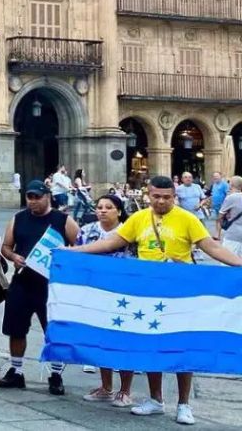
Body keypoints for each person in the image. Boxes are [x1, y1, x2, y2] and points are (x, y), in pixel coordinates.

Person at [74, 175, 242, 425]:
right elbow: (111, 243)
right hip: (148, 293)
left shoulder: (187, 218)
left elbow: (212, 247)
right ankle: (155, 399)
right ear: (148, 195)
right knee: (151, 345)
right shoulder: (139, 218)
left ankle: (184, 404)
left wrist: (239, 263)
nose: (161, 201)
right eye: (156, 196)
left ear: (174, 196)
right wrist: (74, 251)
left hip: (180, 293)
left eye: (166, 197)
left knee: (182, 347)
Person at [0, 179, 78, 395]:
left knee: (53, 331)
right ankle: (16, 371)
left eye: (37, 197)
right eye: (29, 197)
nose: (33, 201)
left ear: (48, 196)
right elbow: (6, 246)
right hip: (22, 282)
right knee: (16, 330)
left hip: (51, 286)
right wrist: (14, 256)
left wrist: (66, 256)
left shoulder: (63, 220)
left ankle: (56, 374)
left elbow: (81, 245)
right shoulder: (18, 218)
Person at [76, 194, 135, 408]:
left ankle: (125, 390)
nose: (102, 210)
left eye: (108, 207)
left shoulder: (130, 231)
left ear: (118, 211)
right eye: (99, 207)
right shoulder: (87, 231)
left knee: (123, 340)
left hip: (122, 293)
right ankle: (106, 386)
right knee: (100, 338)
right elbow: (77, 257)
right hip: (95, 290)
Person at [217, 175, 242, 256]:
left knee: (228, 258)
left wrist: (218, 233)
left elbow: (220, 216)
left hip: (233, 234)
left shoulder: (231, 198)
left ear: (231, 185)